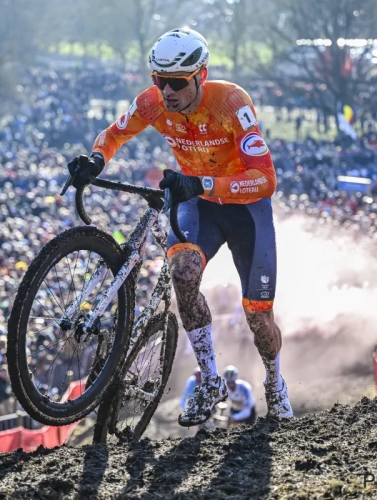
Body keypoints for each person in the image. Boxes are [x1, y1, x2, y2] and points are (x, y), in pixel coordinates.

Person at [69, 28, 292, 426]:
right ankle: (209, 381)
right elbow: (115, 133)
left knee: (258, 317)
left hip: (244, 208)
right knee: (182, 274)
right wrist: (96, 160)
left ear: (200, 75)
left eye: (176, 82)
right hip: (197, 203)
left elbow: (266, 179)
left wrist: (204, 182)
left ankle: (275, 382)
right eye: (159, 80)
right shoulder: (153, 103)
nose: (166, 91)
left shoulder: (231, 102)